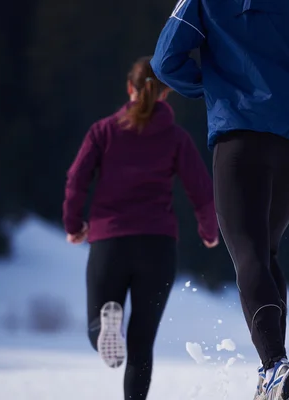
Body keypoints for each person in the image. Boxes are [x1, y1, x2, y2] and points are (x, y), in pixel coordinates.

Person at [150, 0, 289, 398]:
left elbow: (166, 60)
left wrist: (212, 87)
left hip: (240, 135)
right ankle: (273, 375)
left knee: (250, 253)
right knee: (265, 253)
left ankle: (274, 365)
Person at [62, 55, 219, 400]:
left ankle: (105, 327)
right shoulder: (176, 137)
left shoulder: (103, 131)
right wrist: (209, 232)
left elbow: (77, 180)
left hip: (109, 244)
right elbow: (202, 192)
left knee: (97, 327)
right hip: (158, 246)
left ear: (129, 88)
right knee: (142, 343)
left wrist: (74, 224)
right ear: (166, 93)